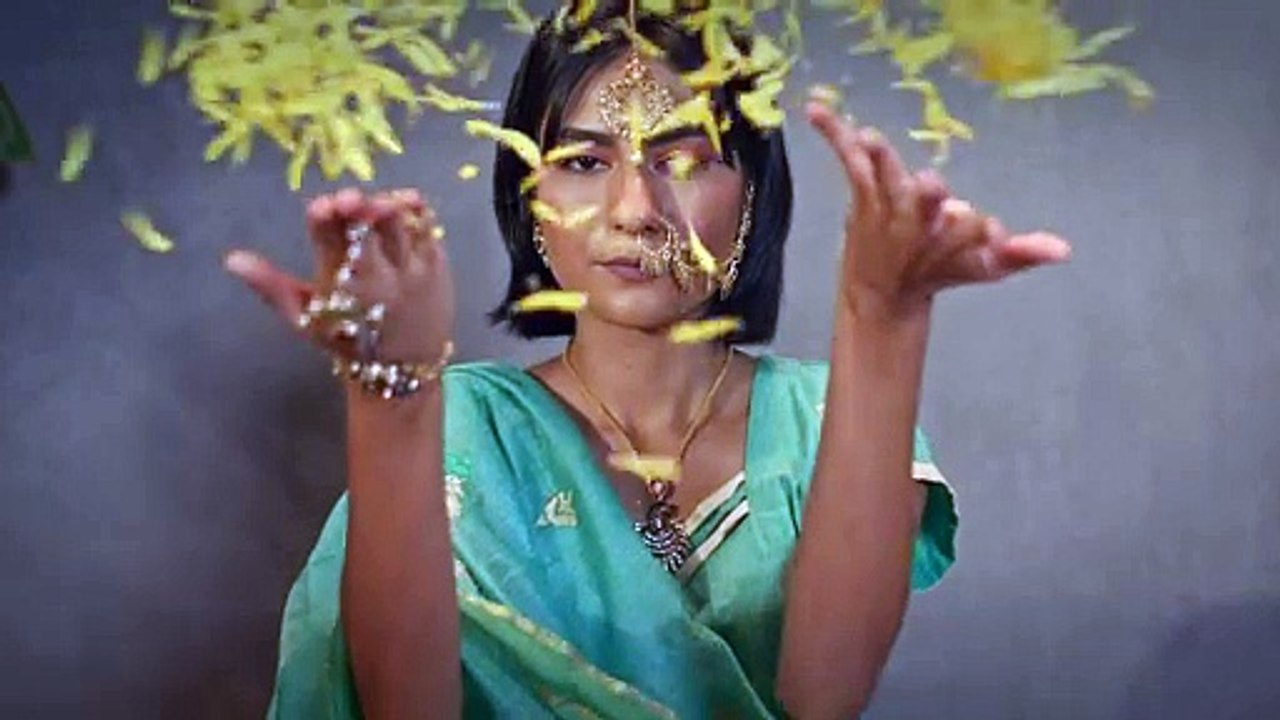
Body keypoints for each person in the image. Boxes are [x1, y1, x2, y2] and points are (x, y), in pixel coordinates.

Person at [224, 3, 1070, 718]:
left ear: (752, 197)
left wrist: (883, 315)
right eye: (586, 163)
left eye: (684, 161)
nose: (635, 209)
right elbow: (405, 705)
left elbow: (823, 696)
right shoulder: (465, 430)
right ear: (532, 203)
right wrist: (391, 397)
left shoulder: (823, 423)